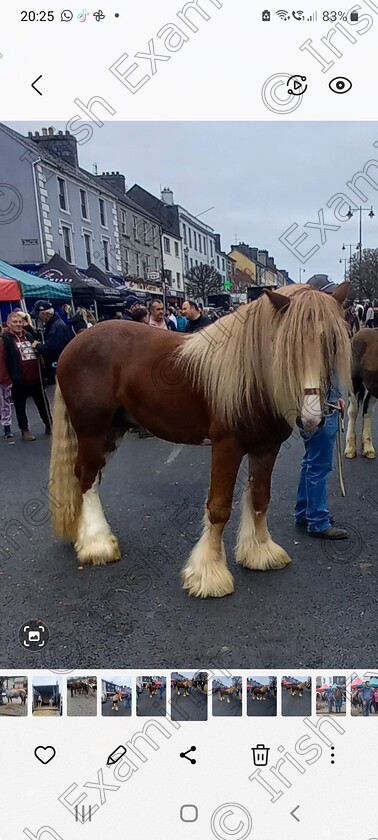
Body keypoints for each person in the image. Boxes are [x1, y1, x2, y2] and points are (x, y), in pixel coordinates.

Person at [295, 274, 348, 539]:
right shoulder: (320, 332)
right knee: (319, 463)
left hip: (312, 401)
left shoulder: (306, 330)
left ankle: (304, 511)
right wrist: (337, 394)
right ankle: (317, 519)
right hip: (320, 401)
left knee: (311, 460)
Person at [0, 312, 51, 440]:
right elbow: (1, 362)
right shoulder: (4, 339)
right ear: (8, 324)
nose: (18, 324)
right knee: (20, 408)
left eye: (20, 322)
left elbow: (38, 351)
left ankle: (49, 425)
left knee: (43, 404)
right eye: (15, 322)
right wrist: (7, 381)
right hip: (19, 380)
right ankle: (25, 430)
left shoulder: (28, 335)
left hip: (36, 378)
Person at [30, 300, 71, 381]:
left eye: (38, 315)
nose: (38, 318)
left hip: (57, 366)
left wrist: (37, 346)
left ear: (44, 313)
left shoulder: (56, 326)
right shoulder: (55, 324)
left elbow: (52, 349)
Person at [0, 338, 14, 438]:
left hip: (2, 378)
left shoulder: (2, 343)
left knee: (4, 403)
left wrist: (7, 379)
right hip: (3, 378)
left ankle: (7, 427)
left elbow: (3, 362)